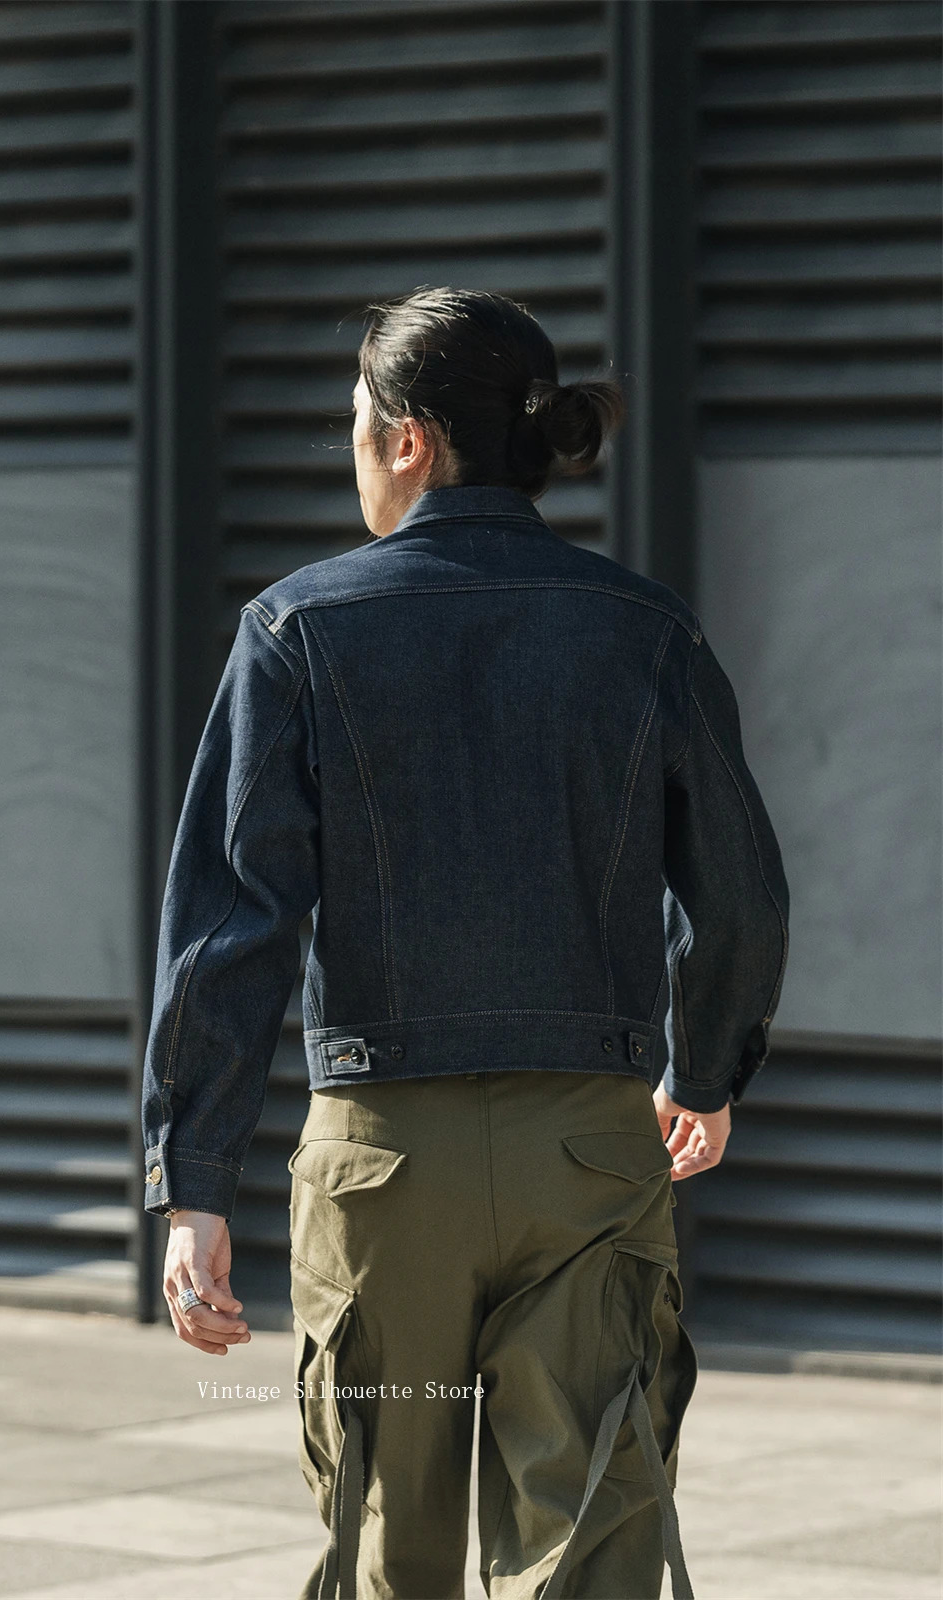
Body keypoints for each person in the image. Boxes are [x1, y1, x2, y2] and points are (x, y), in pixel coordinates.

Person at [139, 287, 790, 1599]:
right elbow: (741, 897)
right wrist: (705, 1073)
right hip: (591, 1151)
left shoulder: (296, 630)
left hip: (384, 1166)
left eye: (356, 426)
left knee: (392, 1542)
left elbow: (230, 927)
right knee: (594, 1536)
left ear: (409, 442)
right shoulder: (643, 629)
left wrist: (193, 1175)